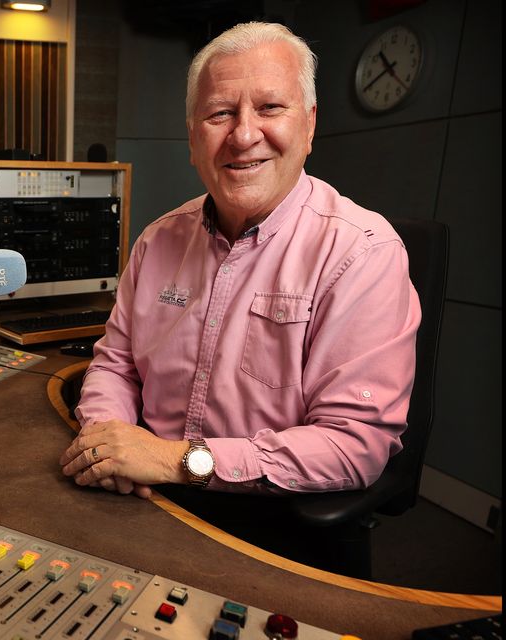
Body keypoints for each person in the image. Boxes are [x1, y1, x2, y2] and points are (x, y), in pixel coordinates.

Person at [59, 22, 421, 502]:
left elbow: (353, 444)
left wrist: (175, 460)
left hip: (272, 518)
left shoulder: (364, 253)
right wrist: (110, 444)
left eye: (270, 108)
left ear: (309, 124)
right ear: (193, 139)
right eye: (220, 113)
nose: (244, 134)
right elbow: (116, 364)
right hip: (143, 497)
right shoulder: (156, 241)